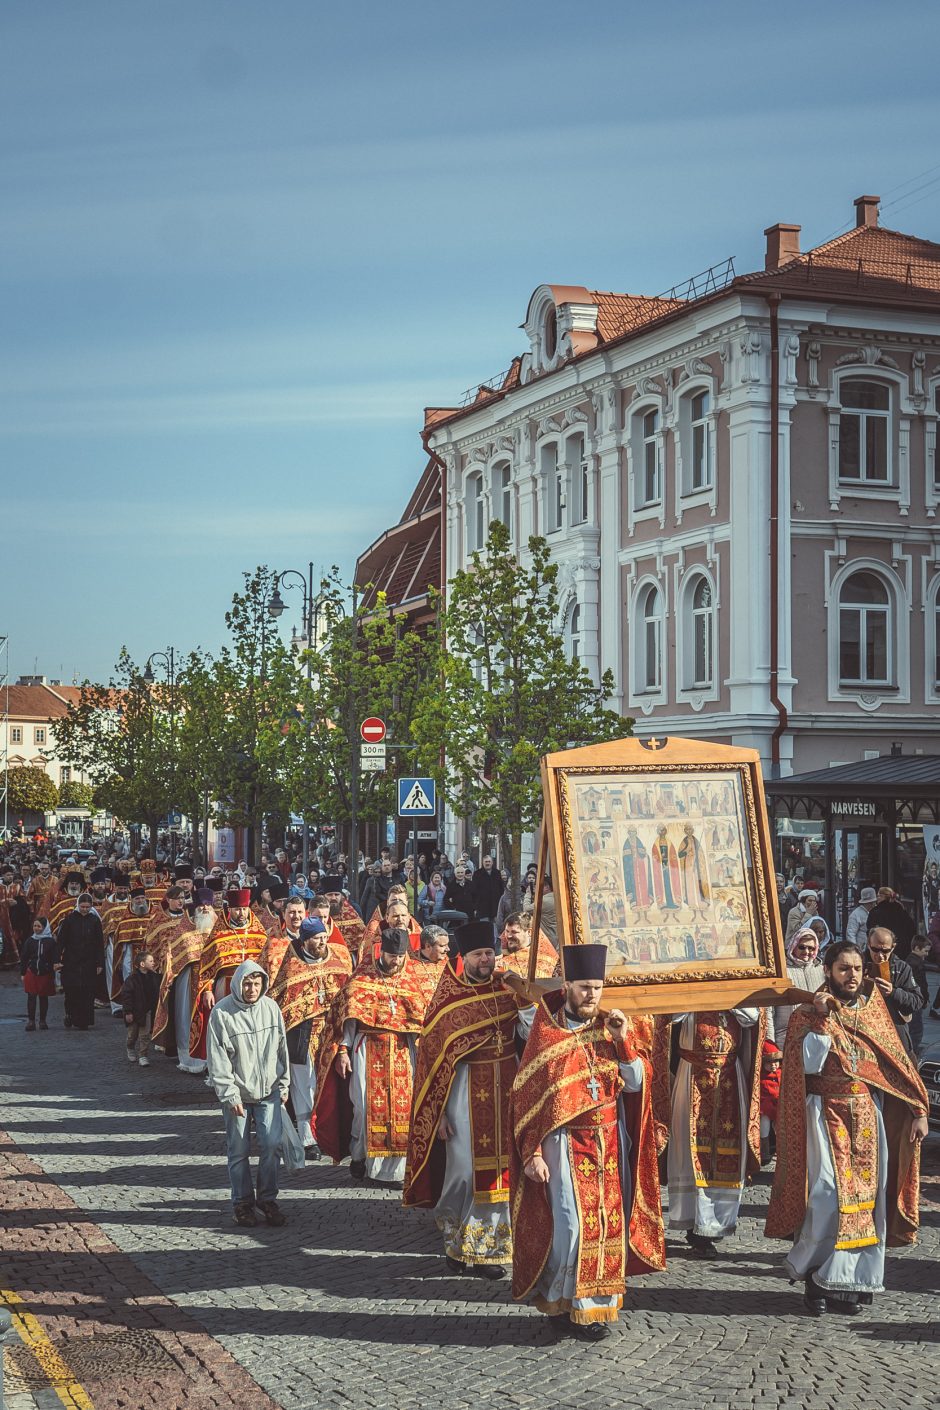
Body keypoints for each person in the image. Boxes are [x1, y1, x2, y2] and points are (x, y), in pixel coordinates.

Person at [510, 944, 665, 1340]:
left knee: (607, 1225)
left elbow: (635, 1082)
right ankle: (559, 1297)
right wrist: (531, 1152)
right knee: (571, 1227)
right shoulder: (547, 1033)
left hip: (610, 1142)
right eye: (584, 987)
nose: (592, 995)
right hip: (563, 1144)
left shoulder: (611, 1027)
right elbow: (526, 1098)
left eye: (597, 987)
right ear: (566, 986)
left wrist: (623, 1041)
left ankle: (592, 1309)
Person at [766, 941, 929, 1314]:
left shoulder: (872, 1012)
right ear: (828, 971)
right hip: (823, 1112)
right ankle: (814, 1276)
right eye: (844, 969)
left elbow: (897, 1064)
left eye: (857, 969)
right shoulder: (807, 1014)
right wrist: (822, 1020)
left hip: (866, 1115)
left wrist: (918, 1110)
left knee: (866, 1203)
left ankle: (847, 1286)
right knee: (826, 1196)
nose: (852, 975)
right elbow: (806, 1066)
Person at [404, 921, 523, 1279]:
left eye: (490, 953)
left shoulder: (508, 989)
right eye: (478, 954)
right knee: (464, 1171)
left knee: (503, 1170)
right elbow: (430, 1062)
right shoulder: (448, 999)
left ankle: (488, 1248)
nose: (486, 959)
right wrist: (437, 1113)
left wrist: (528, 998)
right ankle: (456, 1237)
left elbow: (532, 1031)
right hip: (463, 1093)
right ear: (464, 958)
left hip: (508, 1084)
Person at [313, 927, 425, 1185]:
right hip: (367, 1048)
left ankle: (397, 1169)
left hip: (400, 1051)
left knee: (402, 1109)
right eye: (391, 956)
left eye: (400, 957)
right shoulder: (362, 978)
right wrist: (342, 1051)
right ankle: (360, 1155)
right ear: (381, 951)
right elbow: (346, 1020)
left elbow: (420, 1019)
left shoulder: (411, 981)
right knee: (364, 1107)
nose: (396, 961)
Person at [661, 1006, 763, 1258]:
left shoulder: (736, 989)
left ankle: (713, 1225)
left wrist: (729, 996)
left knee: (728, 1150)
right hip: (691, 1074)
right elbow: (671, 1016)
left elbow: (751, 1017)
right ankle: (693, 1225)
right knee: (688, 1149)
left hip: (729, 1073)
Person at [206, 959, 290, 1228]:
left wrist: (284, 1084)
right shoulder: (221, 1014)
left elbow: (281, 1049)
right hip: (238, 1095)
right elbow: (217, 1059)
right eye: (247, 983)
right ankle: (242, 1203)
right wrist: (229, 1095)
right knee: (239, 1151)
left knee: (272, 1146)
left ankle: (267, 1199)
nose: (252, 988)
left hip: (269, 1092)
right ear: (237, 984)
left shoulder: (271, 1009)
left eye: (257, 984)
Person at [268, 915, 352, 1157]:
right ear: (305, 940)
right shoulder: (291, 965)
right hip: (301, 1035)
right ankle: (307, 1139)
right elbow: (281, 1001)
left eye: (325, 937)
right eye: (317, 938)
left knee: (327, 1087)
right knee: (304, 1087)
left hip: (331, 1036)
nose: (323, 942)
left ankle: (328, 1133)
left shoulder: (337, 960)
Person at [152, 888, 216, 1073]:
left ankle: (213, 1061)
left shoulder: (218, 926)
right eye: (202, 905)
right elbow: (175, 953)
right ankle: (190, 1061)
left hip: (214, 979)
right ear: (195, 907)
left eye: (208, 905)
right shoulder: (184, 927)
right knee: (186, 1018)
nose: (205, 909)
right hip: (189, 979)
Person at [862, 926, 923, 1053]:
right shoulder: (858, 964)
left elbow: (917, 1001)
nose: (880, 955)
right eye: (875, 949)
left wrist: (893, 992)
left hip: (895, 1032)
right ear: (868, 944)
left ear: (893, 947)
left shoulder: (902, 968)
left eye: (885, 951)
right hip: (864, 1031)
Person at [767, 927, 825, 1052]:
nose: (807, 951)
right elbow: (769, 1010)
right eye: (802, 947)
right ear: (794, 946)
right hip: (786, 1036)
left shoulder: (821, 970)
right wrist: (770, 1044)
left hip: (815, 1034)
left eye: (811, 948)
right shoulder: (782, 971)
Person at [55, 892, 104, 1031]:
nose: (85, 910)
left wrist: (100, 963)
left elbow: (99, 944)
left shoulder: (94, 921)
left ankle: (84, 1021)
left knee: (87, 992)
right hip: (71, 961)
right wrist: (57, 959)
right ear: (78, 905)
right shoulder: (69, 920)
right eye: (82, 907)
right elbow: (61, 942)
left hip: (89, 961)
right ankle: (70, 1014)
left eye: (87, 907)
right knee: (72, 991)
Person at [110, 883, 155, 1009]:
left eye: (142, 898)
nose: (140, 901)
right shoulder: (126, 917)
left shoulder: (155, 915)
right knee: (130, 979)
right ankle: (130, 1006)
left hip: (150, 952)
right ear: (132, 900)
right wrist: (121, 958)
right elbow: (120, 941)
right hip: (130, 953)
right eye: (137, 899)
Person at [120, 950, 160, 1066]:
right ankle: (130, 1048)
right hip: (134, 1011)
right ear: (142, 964)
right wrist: (128, 1012)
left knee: (145, 1035)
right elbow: (126, 996)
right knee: (132, 1035)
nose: (153, 963)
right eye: (151, 961)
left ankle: (143, 1055)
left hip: (146, 1011)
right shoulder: (132, 979)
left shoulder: (154, 977)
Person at [497, 910, 558, 979]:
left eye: (514, 932)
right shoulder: (499, 957)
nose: (508, 936)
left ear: (529, 932)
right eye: (507, 931)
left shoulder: (544, 959)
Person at [20, 917, 56, 1031]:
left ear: (44, 928)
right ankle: (31, 1021)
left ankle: (42, 1021)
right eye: (35, 926)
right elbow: (24, 957)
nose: (36, 928)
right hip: (32, 972)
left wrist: (53, 967)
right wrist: (23, 972)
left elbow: (54, 957)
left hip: (45, 973)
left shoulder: (50, 942)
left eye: (39, 926)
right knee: (31, 996)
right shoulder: (30, 941)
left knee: (43, 997)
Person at [409, 923, 450, 1010]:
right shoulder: (410, 964)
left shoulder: (447, 962)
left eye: (447, 945)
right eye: (442, 946)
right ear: (428, 946)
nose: (448, 949)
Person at [866, 887, 915, 955]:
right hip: (902, 948)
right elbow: (911, 928)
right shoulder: (901, 910)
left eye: (878, 896)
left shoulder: (875, 912)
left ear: (882, 897)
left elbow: (871, 931)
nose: (877, 899)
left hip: (882, 948)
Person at [906, 934, 931, 1054]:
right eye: (925, 951)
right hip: (916, 1000)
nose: (927, 954)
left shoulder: (910, 961)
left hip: (913, 999)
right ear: (917, 948)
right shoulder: (916, 964)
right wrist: (925, 998)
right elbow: (921, 985)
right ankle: (913, 1052)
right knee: (916, 1029)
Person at [470, 855, 504, 923]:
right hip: (482, 908)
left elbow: (501, 889)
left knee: (495, 929)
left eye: (489, 861)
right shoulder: (477, 874)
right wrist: (475, 907)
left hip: (495, 907)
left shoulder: (497, 873)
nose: (487, 863)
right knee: (484, 928)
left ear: (492, 863)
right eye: (486, 862)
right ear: (483, 862)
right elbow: (473, 892)